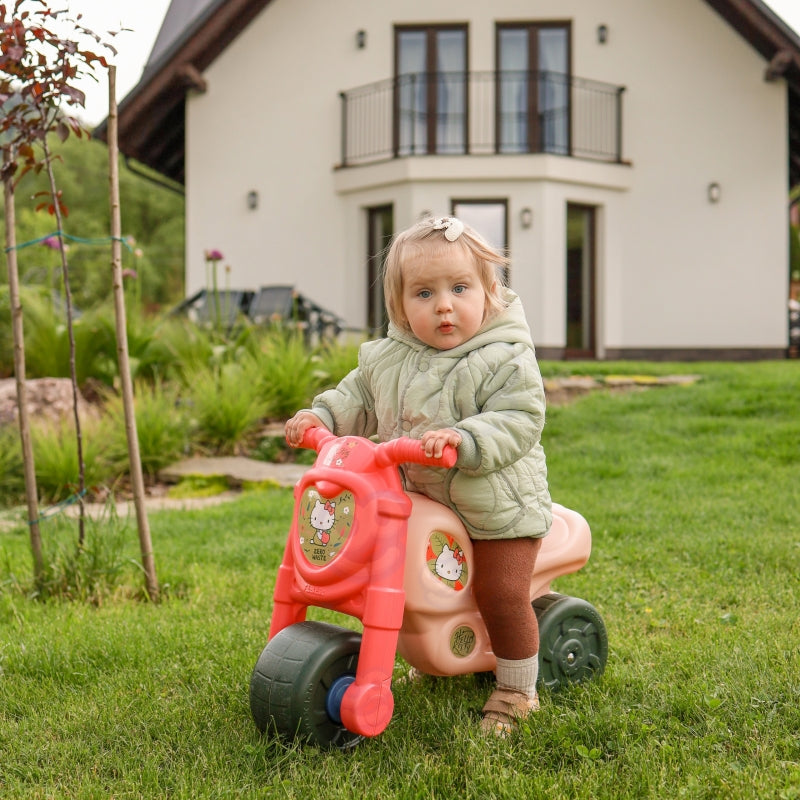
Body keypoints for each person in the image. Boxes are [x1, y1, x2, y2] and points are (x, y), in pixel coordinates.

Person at [285, 216, 552, 736]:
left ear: (490, 291)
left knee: (499, 593)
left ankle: (518, 687)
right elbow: (356, 398)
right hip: (416, 505)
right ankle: (427, 657)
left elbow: (520, 419)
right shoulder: (387, 358)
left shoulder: (506, 357)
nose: (444, 305)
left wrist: (464, 439)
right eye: (424, 293)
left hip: (496, 509)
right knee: (402, 584)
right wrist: (322, 419)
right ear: (400, 306)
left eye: (459, 288)